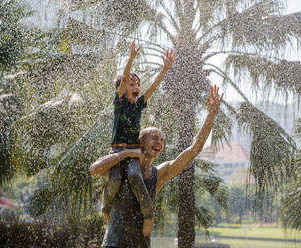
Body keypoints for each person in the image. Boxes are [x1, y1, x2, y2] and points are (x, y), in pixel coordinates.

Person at [90, 85, 223, 248]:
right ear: (141, 141)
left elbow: (194, 149)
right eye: (154, 138)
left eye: (162, 140)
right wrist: (124, 154)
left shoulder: (159, 173)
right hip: (112, 244)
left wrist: (210, 116)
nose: (159, 143)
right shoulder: (121, 166)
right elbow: (94, 169)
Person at [100, 40, 177, 231]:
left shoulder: (138, 104)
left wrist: (165, 69)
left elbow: (153, 86)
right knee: (115, 179)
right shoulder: (119, 102)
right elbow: (124, 78)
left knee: (135, 175)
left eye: (137, 84)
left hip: (134, 151)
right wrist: (132, 58)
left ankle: (148, 212)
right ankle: (106, 207)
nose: (136, 87)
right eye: (131, 84)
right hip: (117, 150)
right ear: (122, 88)